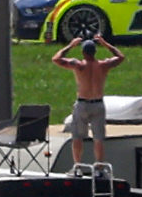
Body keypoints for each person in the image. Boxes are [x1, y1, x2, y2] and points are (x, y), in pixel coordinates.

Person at [53, 35, 126, 170]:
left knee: (77, 137)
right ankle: (99, 167)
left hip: (83, 103)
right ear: (95, 52)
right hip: (98, 104)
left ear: (83, 52)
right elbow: (120, 57)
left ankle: (77, 166)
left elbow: (56, 59)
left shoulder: (79, 65)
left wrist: (71, 45)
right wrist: (105, 43)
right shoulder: (103, 65)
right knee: (98, 138)